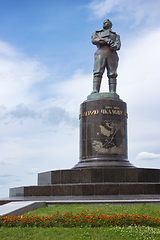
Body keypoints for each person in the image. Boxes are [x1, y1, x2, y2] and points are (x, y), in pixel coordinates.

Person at [91, 19, 121, 94]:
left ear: (110, 25)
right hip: (100, 53)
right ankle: (95, 90)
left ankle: (113, 91)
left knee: (113, 74)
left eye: (107, 22)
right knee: (97, 72)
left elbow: (118, 45)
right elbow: (94, 40)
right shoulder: (97, 33)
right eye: (104, 22)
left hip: (112, 54)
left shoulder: (116, 35)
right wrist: (105, 41)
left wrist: (115, 46)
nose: (105, 23)